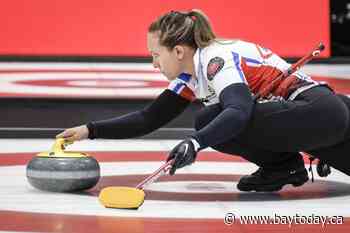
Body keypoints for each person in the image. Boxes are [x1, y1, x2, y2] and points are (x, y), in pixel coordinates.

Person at [57, 10, 350, 192]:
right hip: (318, 119)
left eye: (155, 55)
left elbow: (239, 110)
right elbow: (149, 119)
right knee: (212, 120)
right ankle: (284, 165)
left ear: (179, 51)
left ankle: (283, 167)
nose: (153, 64)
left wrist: (195, 143)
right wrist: (89, 130)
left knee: (210, 120)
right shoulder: (189, 78)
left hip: (320, 112)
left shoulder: (214, 59)